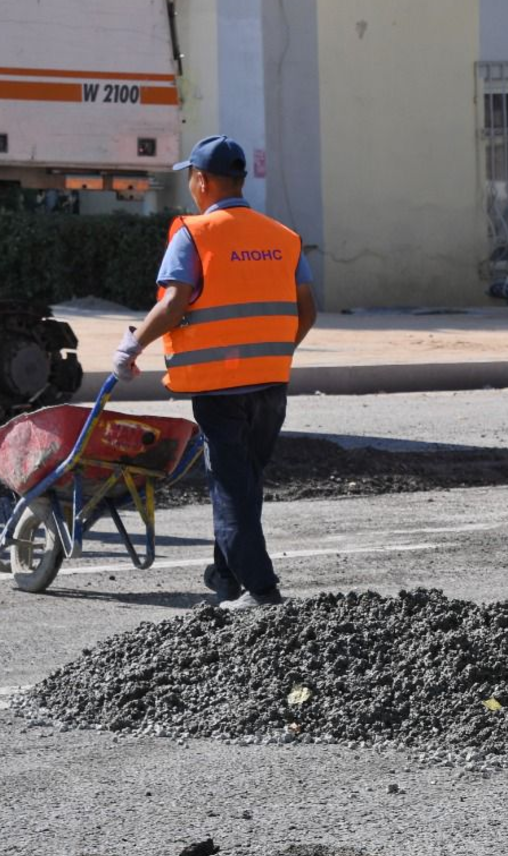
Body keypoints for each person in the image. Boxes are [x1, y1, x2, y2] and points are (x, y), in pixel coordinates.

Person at [111, 134, 317, 611]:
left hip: (219, 388)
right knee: (245, 482)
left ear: (201, 181)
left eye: (191, 178)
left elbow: (174, 303)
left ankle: (262, 591)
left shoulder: (194, 234)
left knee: (230, 488)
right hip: (271, 384)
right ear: (240, 180)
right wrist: (277, 351)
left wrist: (131, 345)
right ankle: (227, 578)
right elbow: (308, 310)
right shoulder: (282, 237)